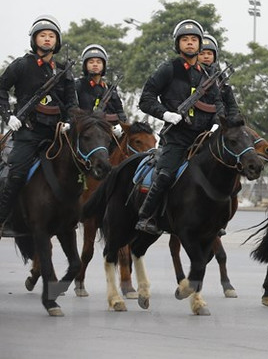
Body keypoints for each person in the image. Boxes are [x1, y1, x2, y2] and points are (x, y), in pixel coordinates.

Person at [135, 19, 222, 235]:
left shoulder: (208, 74)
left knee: (222, 171)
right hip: (177, 136)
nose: (190, 43)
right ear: (178, 44)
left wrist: (217, 124)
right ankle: (148, 216)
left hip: (203, 137)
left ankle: (216, 219)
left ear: (200, 44)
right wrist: (165, 113)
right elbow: (145, 98)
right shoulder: (169, 68)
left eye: (194, 40)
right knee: (165, 174)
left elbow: (218, 103)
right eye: (185, 40)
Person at [0, 15, 78, 234]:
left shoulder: (64, 70)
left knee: (81, 167)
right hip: (27, 133)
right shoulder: (21, 65)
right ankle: (3, 219)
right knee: (15, 174)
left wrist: (68, 123)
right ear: (34, 40)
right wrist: (8, 117)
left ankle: (72, 217)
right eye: (42, 36)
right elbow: (1, 89)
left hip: (56, 134)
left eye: (51, 36)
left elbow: (72, 103)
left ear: (57, 41)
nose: (46, 39)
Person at [75, 44, 126, 137]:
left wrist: (120, 125)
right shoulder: (78, 85)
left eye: (98, 62)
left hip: (108, 132)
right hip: (85, 133)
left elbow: (120, 112)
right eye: (91, 62)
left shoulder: (110, 89)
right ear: (85, 65)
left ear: (103, 65)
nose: (95, 64)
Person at [197, 34, 241, 120]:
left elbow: (232, 104)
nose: (206, 56)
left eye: (209, 53)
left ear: (214, 56)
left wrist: (232, 120)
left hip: (220, 119)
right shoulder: (192, 74)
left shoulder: (220, 76)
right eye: (202, 54)